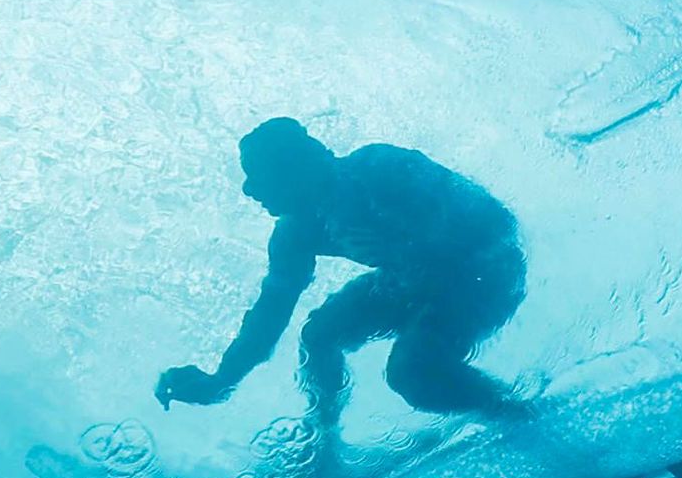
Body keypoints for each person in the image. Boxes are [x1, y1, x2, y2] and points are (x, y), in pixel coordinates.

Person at [155, 117, 531, 437]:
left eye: (258, 175)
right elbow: (269, 315)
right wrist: (221, 381)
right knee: (318, 336)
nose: (249, 189)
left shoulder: (379, 168)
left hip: (487, 273)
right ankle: (323, 441)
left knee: (411, 373)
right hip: (414, 282)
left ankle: (518, 418)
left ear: (298, 169)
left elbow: (499, 223)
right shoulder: (295, 234)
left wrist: (411, 244)